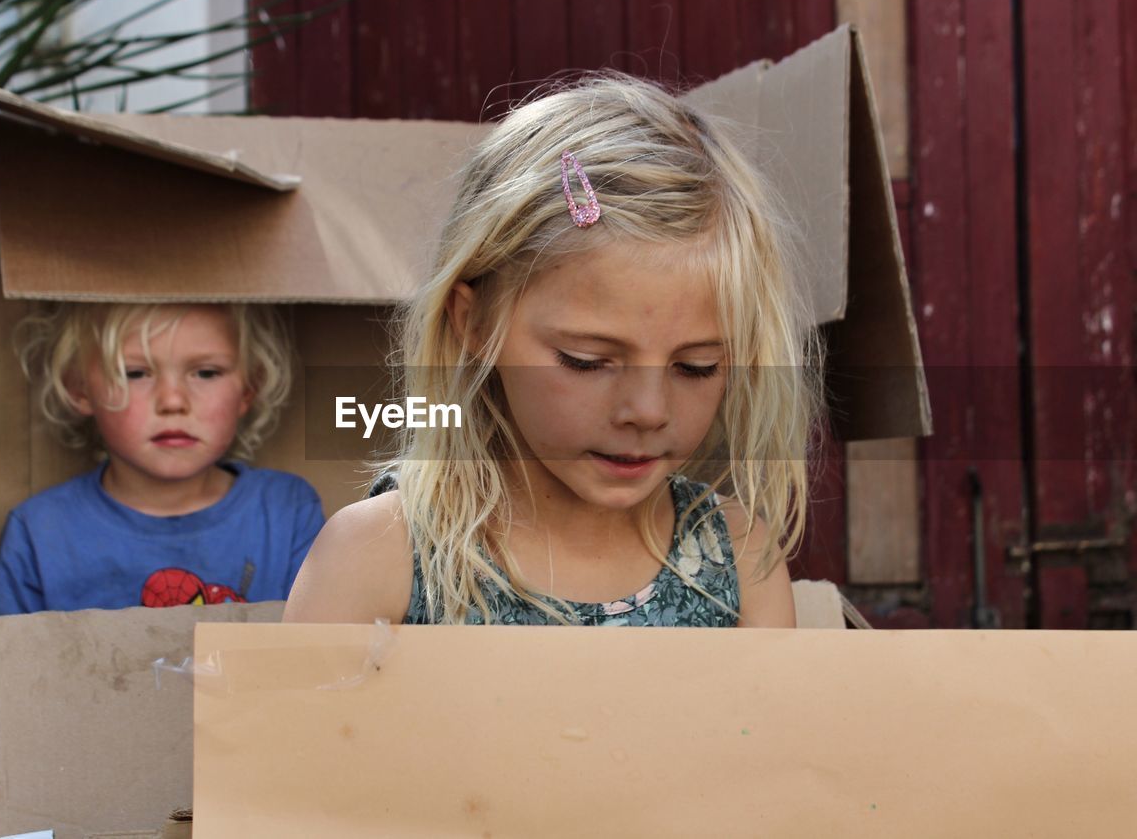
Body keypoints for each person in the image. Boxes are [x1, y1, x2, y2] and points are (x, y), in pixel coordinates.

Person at [285, 75, 821, 627]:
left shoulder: (739, 558)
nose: (648, 410)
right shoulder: (380, 556)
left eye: (696, 366)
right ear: (473, 322)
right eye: (587, 361)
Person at [0, 302, 324, 614]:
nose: (173, 400)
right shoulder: (41, 532)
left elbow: (328, 658)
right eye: (135, 373)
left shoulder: (285, 512)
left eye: (206, 373)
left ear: (248, 389)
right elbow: (7, 670)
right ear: (79, 388)